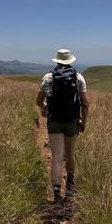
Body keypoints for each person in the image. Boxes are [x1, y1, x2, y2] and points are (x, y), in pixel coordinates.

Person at [36, 48, 90, 203]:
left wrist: (44, 108)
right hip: (72, 121)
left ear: (57, 61)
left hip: (54, 122)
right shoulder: (78, 78)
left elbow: (38, 101)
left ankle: (56, 193)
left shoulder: (48, 77)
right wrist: (83, 122)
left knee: (57, 158)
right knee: (70, 155)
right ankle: (71, 188)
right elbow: (85, 104)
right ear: (70, 60)